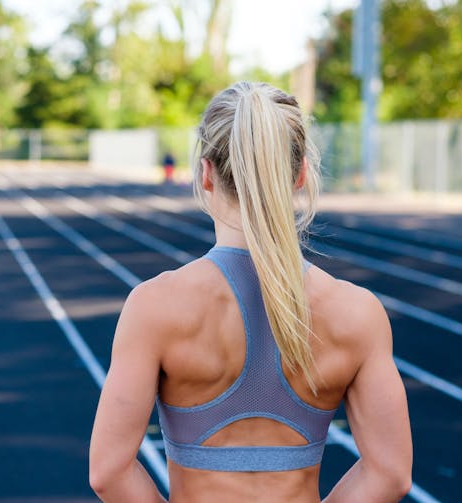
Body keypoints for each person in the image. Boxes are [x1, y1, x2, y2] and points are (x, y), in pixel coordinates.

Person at [89, 82, 412, 502]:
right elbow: (391, 473)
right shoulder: (357, 312)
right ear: (300, 174)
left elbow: (108, 472)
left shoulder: (155, 307)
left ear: (205, 174)